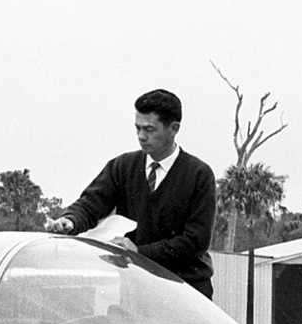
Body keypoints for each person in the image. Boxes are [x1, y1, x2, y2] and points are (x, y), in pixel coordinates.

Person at [56, 89, 216, 297]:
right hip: (135, 289)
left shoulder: (199, 175)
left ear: (173, 129)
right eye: (137, 128)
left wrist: (140, 252)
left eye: (149, 129)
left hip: (187, 292)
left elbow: (196, 241)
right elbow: (91, 203)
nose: (141, 136)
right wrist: (71, 221)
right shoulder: (122, 167)